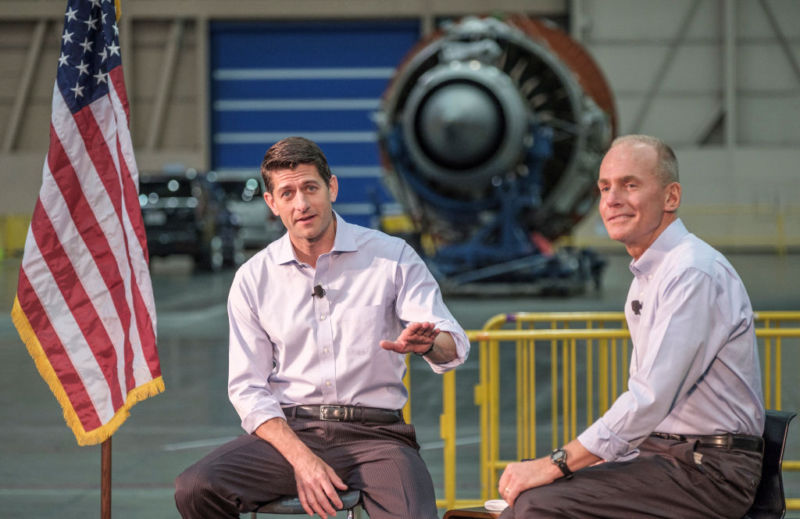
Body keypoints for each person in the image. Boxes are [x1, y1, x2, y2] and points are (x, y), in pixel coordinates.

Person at [174, 136, 470, 519]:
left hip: (377, 436)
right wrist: (303, 460)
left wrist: (430, 344)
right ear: (272, 204)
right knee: (195, 488)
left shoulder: (391, 257)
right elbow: (248, 389)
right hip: (291, 433)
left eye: (310, 188)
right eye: (288, 193)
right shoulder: (253, 278)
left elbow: (453, 344)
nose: (301, 204)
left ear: (331, 187)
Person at [498, 135, 765, 518]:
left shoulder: (691, 272)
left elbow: (649, 399)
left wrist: (556, 462)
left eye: (630, 185)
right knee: (526, 497)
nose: (611, 199)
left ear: (671, 197)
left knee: (537, 506)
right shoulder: (650, 275)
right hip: (666, 457)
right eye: (605, 187)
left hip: (707, 472)